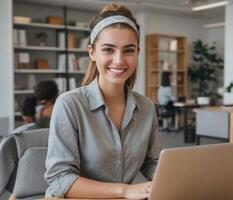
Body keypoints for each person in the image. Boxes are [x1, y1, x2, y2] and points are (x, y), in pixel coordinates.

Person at [45, 4, 162, 199]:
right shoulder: (69, 104)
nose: (119, 60)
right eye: (108, 50)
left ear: (137, 52)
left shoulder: (146, 107)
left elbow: (152, 162)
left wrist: (171, 178)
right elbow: (60, 180)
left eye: (128, 51)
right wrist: (124, 190)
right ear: (92, 52)